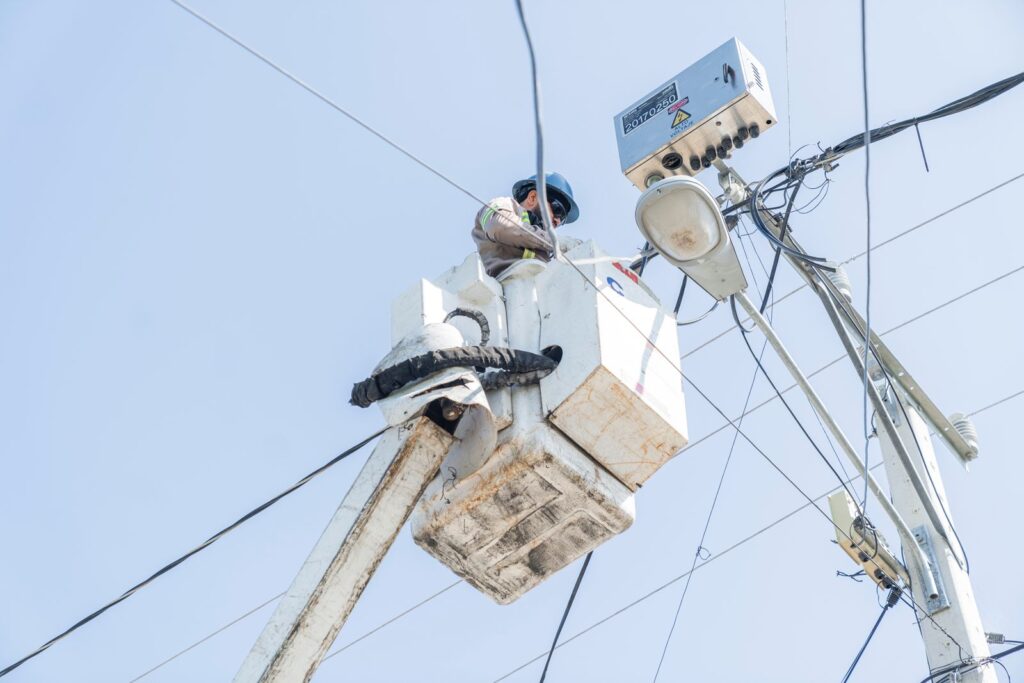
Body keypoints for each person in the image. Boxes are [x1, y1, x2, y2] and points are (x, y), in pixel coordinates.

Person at [471, 172, 581, 277]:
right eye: (557, 210)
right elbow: (499, 226)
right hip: (503, 285)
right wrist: (553, 241)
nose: (557, 221)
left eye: (562, 219)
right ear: (532, 198)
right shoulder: (505, 204)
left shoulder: (547, 250)